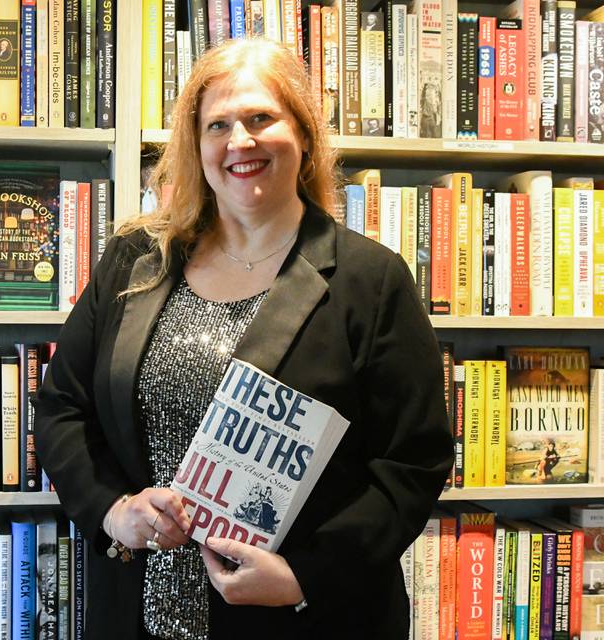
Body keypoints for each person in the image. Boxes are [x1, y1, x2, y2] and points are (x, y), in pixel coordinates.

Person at [34, 38, 453, 640]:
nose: (240, 141)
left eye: (261, 118)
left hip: (304, 619)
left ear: (303, 136)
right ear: (196, 145)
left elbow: (412, 462)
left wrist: (305, 576)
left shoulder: (372, 281)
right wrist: (112, 511)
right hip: (135, 614)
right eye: (218, 125)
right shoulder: (136, 261)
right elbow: (61, 408)